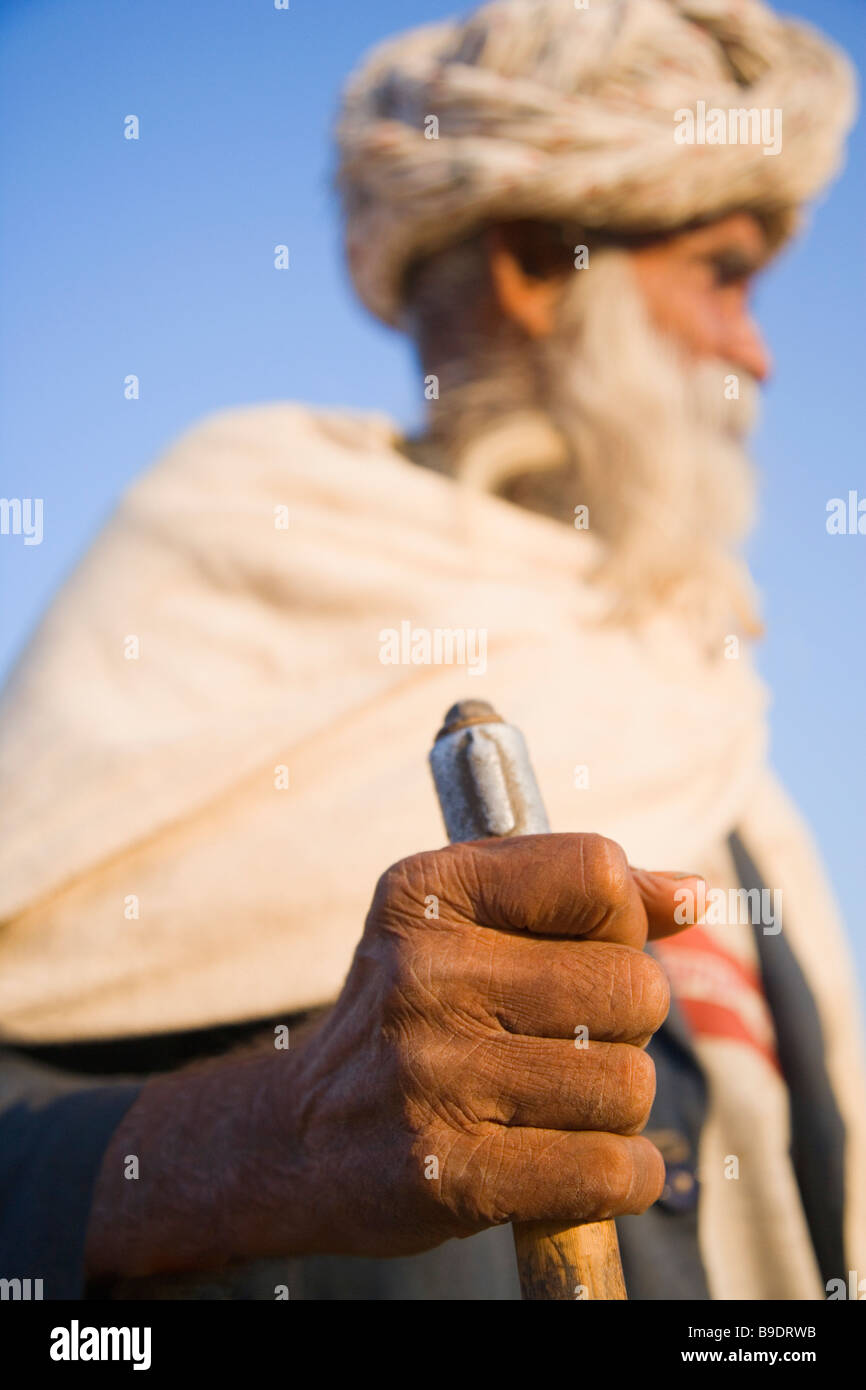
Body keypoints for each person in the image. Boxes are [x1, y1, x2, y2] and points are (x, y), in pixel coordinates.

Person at [1, 0, 863, 1301]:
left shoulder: (692, 686)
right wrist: (271, 1131)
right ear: (533, 258)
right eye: (722, 271)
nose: (753, 349)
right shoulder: (236, 543)